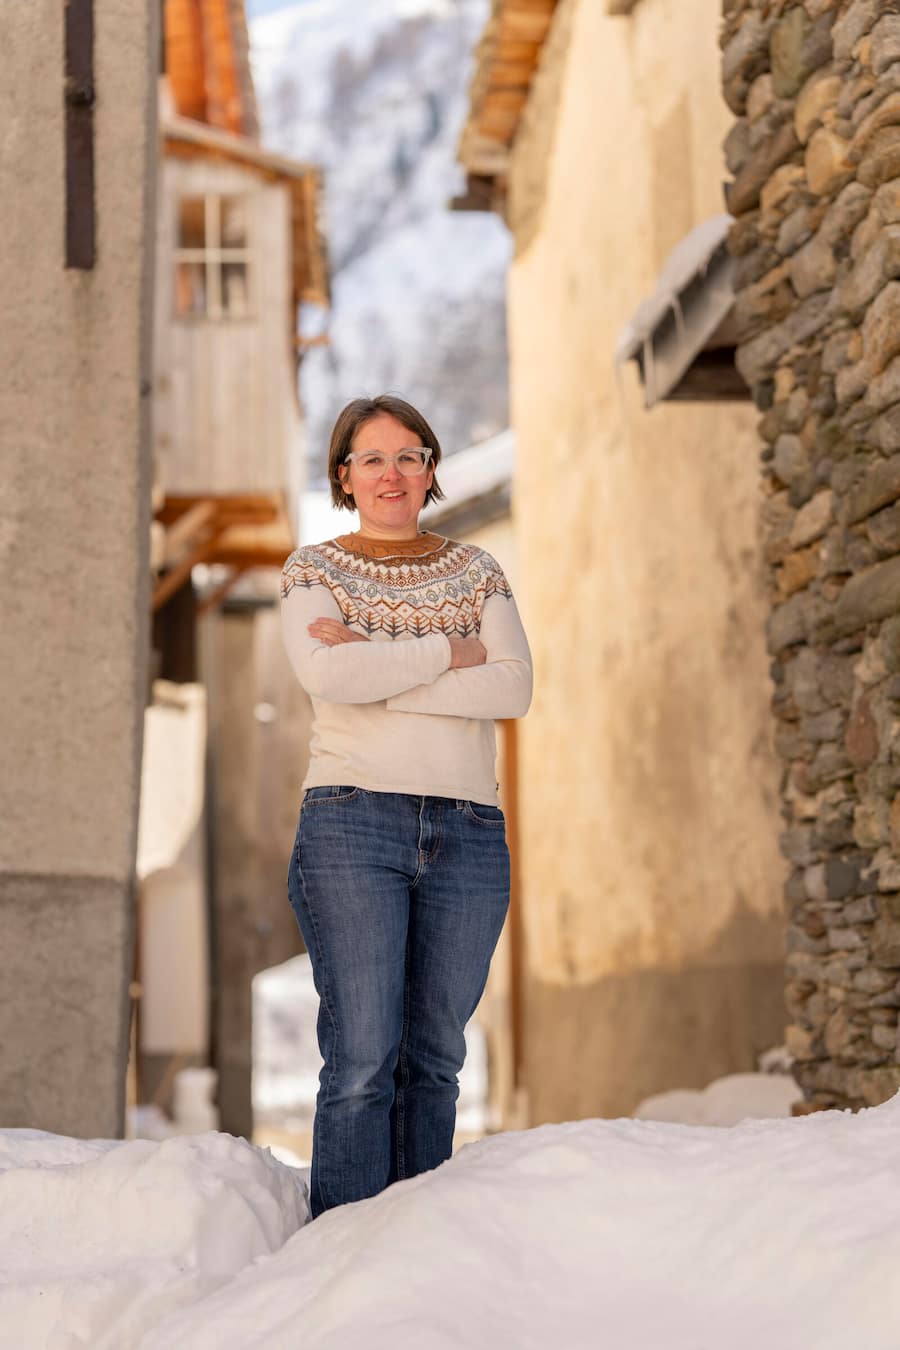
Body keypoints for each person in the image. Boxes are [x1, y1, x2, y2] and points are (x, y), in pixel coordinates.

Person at [280, 394, 532, 1217]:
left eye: (408, 456)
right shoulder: (313, 570)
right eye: (372, 459)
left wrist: (384, 663)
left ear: (430, 468)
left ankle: (416, 1260)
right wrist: (450, 650)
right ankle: (340, 1264)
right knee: (360, 1058)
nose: (392, 474)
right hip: (352, 824)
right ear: (344, 477)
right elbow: (330, 678)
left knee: (435, 1060)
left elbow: (513, 686)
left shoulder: (478, 570)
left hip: (466, 833)